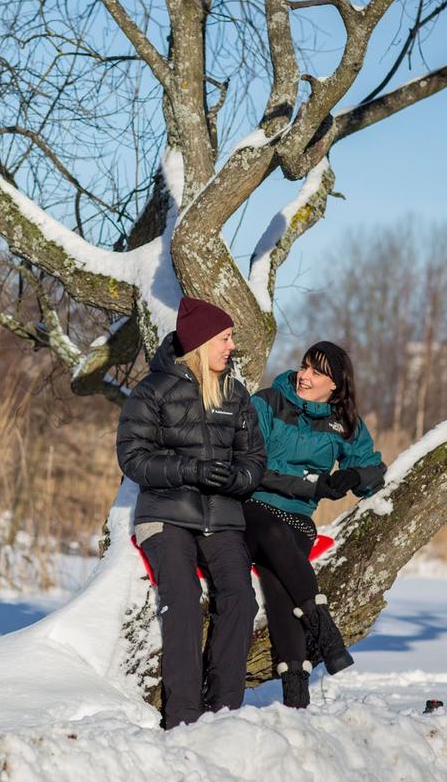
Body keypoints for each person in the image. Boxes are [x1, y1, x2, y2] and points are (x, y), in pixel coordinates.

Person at [116, 297, 265, 730]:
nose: (231, 346)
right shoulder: (152, 390)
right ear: (200, 344)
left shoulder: (235, 394)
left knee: (240, 597)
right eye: (225, 338)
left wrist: (235, 480)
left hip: (221, 517)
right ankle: (182, 717)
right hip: (166, 515)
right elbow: (133, 458)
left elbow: (254, 460)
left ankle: (223, 714)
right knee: (181, 599)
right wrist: (191, 470)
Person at [243, 341, 386, 709]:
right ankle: (323, 627)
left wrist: (352, 475)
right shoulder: (268, 402)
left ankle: (295, 690)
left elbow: (373, 470)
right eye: (305, 366)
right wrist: (314, 485)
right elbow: (252, 469)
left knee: (278, 582)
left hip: (298, 519)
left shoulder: (344, 422)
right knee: (274, 533)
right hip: (251, 508)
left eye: (317, 372)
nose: (305, 376)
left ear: (335, 385)